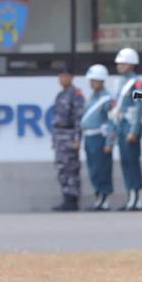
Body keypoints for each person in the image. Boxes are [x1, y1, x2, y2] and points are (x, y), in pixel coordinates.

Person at [113, 47, 142, 211]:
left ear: (131, 64)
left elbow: (138, 109)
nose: (119, 65)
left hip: (131, 128)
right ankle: (130, 196)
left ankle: (138, 198)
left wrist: (134, 130)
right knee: (125, 163)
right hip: (121, 126)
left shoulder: (137, 83)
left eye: (122, 63)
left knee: (133, 163)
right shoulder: (120, 82)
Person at [81, 64, 115, 211]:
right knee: (93, 169)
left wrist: (109, 141)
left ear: (102, 81)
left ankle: (105, 198)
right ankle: (98, 196)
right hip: (89, 138)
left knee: (103, 169)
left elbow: (112, 120)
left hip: (101, 137)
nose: (91, 83)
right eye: (91, 80)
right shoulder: (91, 97)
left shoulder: (107, 99)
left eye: (94, 80)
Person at [51, 65, 85, 211]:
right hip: (60, 137)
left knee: (71, 168)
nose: (62, 79)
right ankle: (66, 197)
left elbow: (79, 118)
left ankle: (72, 199)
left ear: (71, 77)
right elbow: (57, 119)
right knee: (62, 169)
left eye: (65, 76)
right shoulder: (60, 95)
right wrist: (54, 139)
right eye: (60, 76)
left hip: (70, 136)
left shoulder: (75, 94)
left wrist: (77, 138)